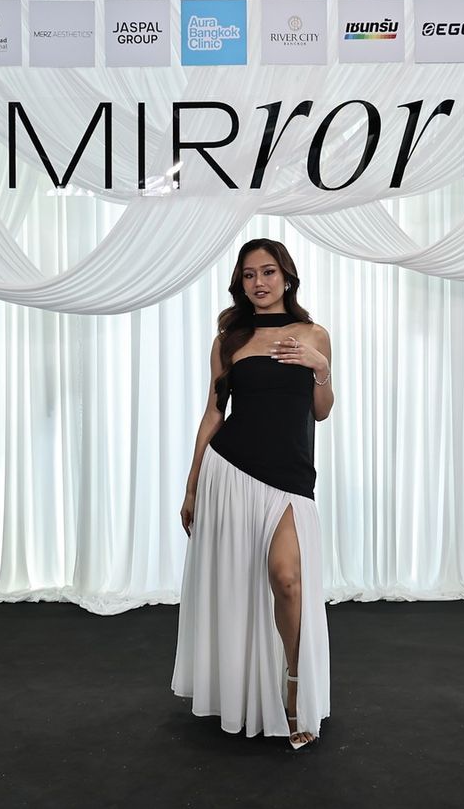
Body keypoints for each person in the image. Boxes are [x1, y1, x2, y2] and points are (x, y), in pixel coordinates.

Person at [171, 238, 334, 751]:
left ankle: (293, 687)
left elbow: (321, 411)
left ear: (287, 277)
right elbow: (213, 412)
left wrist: (321, 367)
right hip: (231, 471)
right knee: (238, 583)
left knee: (287, 579)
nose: (258, 282)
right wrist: (192, 485)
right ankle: (241, 690)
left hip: (289, 476)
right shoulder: (229, 340)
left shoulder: (314, 334)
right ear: (239, 283)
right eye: (248, 274)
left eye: (267, 272)